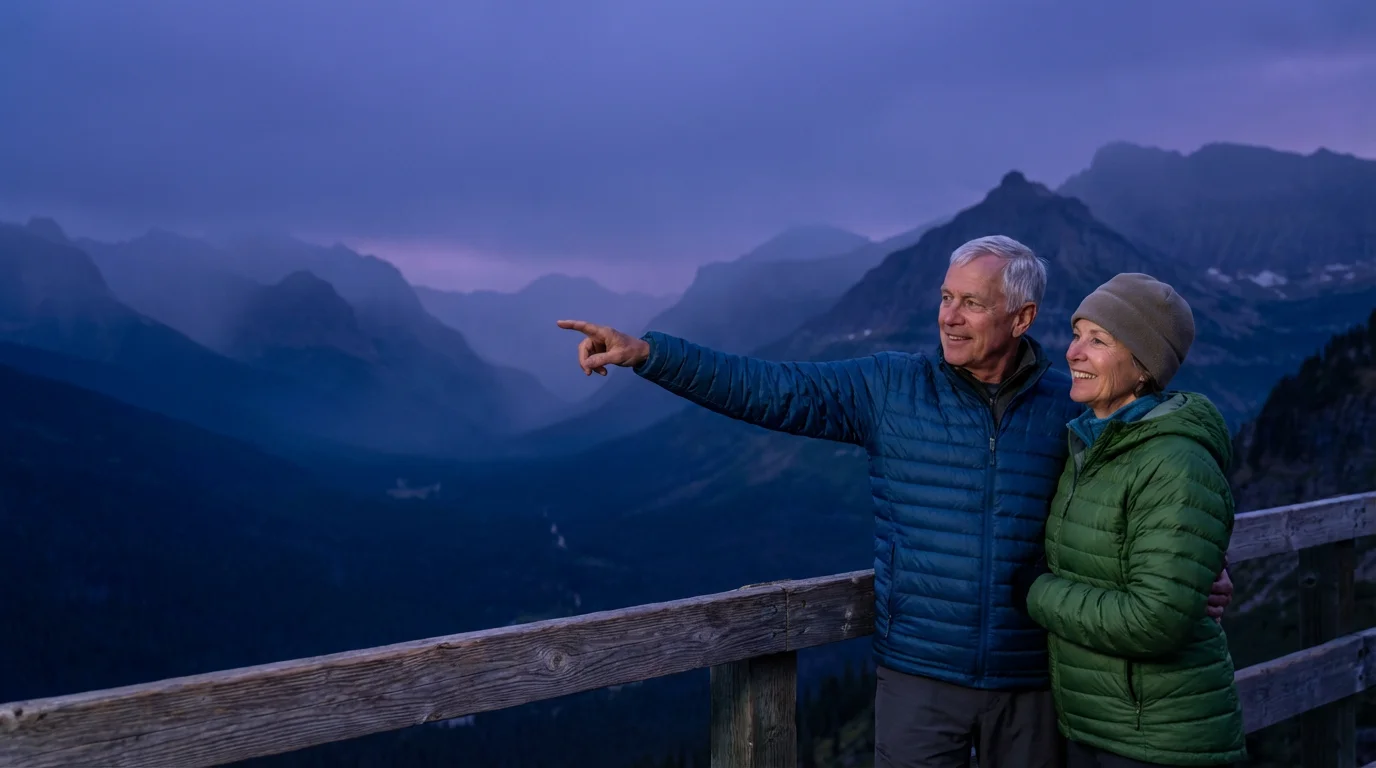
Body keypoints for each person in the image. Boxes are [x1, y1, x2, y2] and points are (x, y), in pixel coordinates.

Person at [557, 236, 1234, 767]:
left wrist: (1201, 565)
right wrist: (649, 353)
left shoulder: (1072, 406)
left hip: (1036, 682)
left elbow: (1146, 483)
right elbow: (768, 389)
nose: (948, 315)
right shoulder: (890, 388)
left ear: (1022, 316)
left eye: (971, 302)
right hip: (919, 675)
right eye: (945, 297)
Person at [1015, 273, 1247, 767]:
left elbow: (1155, 620)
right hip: (1104, 724)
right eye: (1077, 334)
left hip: (1159, 739)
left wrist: (1037, 591)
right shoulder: (1093, 444)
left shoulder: (1173, 462)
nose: (1074, 352)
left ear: (1143, 368)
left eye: (1098, 340)